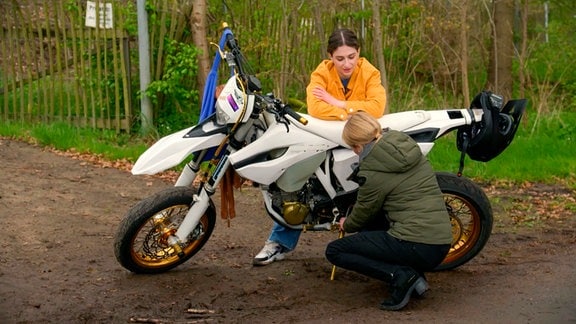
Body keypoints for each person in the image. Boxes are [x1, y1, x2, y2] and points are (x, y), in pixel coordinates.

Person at [253, 28, 387, 266]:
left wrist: (338, 103)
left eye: (352, 57)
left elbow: (376, 108)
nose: (347, 64)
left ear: (359, 53)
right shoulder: (321, 73)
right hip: (325, 137)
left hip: (362, 138)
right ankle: (279, 241)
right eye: (340, 58)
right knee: (302, 177)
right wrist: (355, 109)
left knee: (372, 184)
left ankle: (379, 240)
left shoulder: (370, 72)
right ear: (330, 56)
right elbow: (315, 108)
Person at [325, 112, 452, 311]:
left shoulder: (373, 171)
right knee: (372, 227)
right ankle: (413, 274)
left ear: (358, 146)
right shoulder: (404, 146)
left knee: (335, 250)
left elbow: (361, 216)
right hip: (441, 242)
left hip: (417, 244)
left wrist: (345, 223)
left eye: (353, 148)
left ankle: (401, 276)